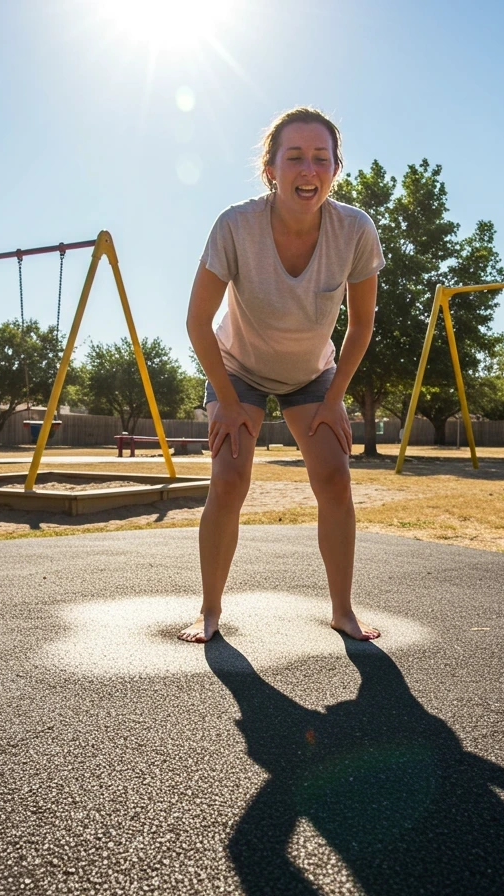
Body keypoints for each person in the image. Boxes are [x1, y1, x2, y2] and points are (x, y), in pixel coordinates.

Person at [180, 107, 384, 644]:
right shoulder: (235, 225)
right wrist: (224, 402)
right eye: (294, 157)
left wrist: (335, 397)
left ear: (336, 169)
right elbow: (197, 322)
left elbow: (362, 325)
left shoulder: (355, 230)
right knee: (229, 481)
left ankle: (342, 611)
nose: (308, 169)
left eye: (321, 158)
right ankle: (209, 611)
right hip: (238, 370)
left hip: (311, 375)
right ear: (270, 168)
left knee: (336, 479)